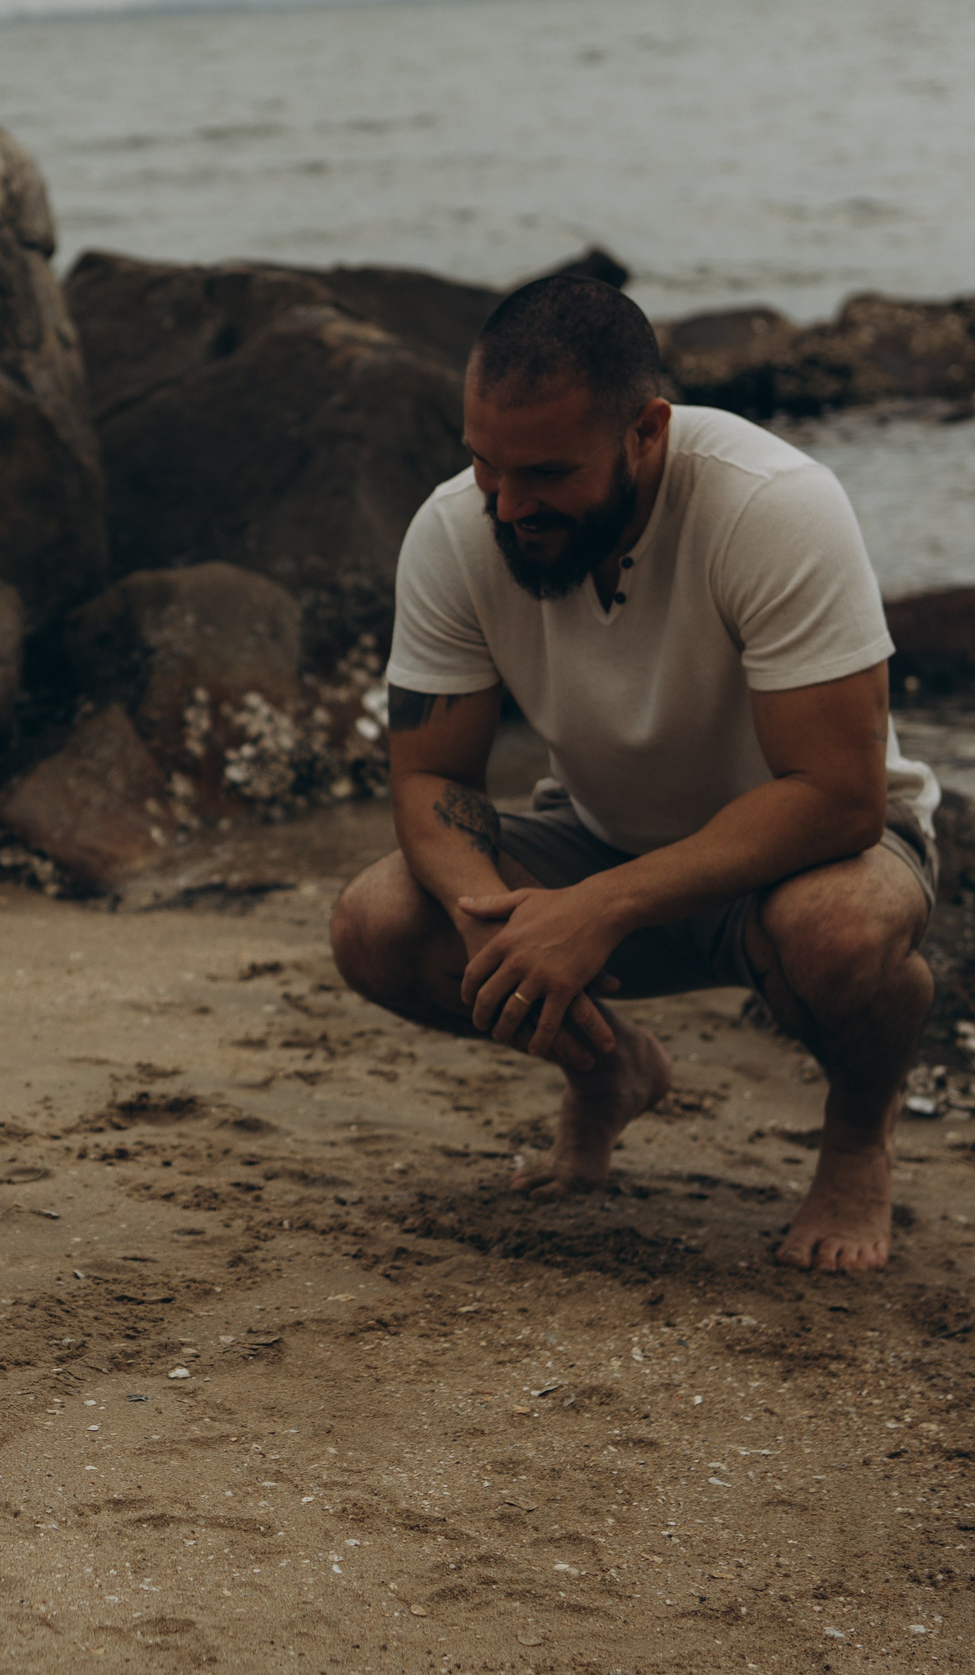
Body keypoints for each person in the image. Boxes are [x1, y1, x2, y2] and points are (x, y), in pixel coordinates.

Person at [329, 275, 940, 1274]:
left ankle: (855, 1140)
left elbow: (838, 794)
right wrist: (496, 921)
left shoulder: (771, 505)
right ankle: (610, 1073)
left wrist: (598, 910)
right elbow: (428, 777)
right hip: (600, 833)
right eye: (485, 464)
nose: (508, 506)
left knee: (835, 935)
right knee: (378, 923)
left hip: (812, 855)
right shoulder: (455, 527)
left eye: (546, 473)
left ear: (645, 433)